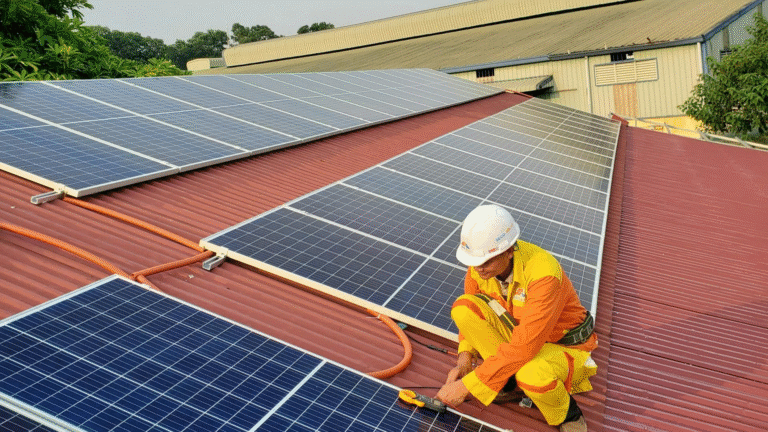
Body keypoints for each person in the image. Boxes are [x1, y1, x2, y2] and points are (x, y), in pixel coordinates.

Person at [436, 204, 598, 432]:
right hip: (522, 337)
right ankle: (507, 382)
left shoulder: (544, 274)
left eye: (486, 262)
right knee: (463, 308)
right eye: (474, 262)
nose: (478, 269)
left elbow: (525, 345)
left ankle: (568, 414)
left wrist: (467, 386)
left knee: (531, 373)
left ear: (509, 250)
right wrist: (465, 358)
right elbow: (474, 312)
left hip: (563, 346)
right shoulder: (479, 266)